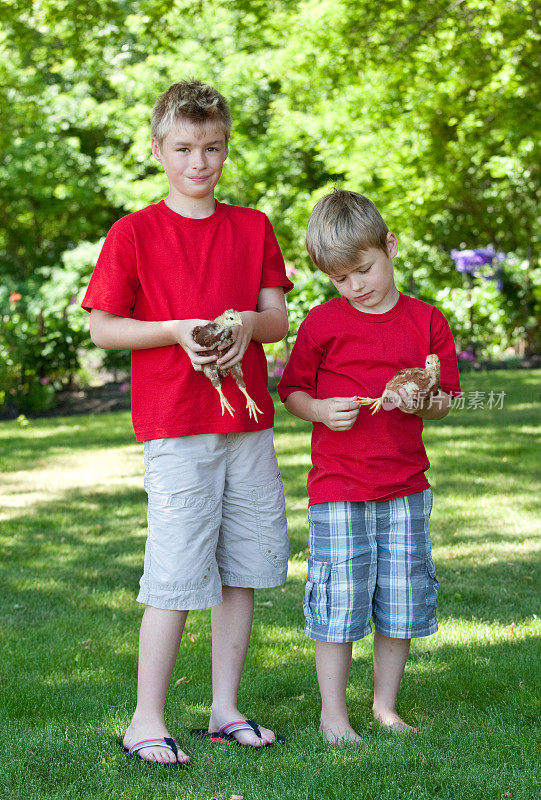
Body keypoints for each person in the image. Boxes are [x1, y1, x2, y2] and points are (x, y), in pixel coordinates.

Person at [82, 80, 293, 764]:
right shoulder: (134, 232)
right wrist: (175, 329)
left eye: (211, 148)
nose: (198, 162)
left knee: (240, 570)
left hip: (248, 427)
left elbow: (276, 319)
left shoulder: (252, 226)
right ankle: (146, 718)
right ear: (157, 149)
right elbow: (104, 330)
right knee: (175, 573)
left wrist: (240, 323)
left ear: (225, 146)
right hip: (177, 426)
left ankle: (224, 709)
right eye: (183, 148)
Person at [277, 190, 460, 745]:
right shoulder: (322, 324)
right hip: (340, 488)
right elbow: (292, 390)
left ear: (391, 246)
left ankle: (385, 706)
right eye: (340, 279)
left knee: (399, 598)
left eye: (364, 269)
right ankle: (333, 713)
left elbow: (447, 398)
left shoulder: (427, 322)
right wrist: (319, 411)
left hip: (405, 486)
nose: (355, 286)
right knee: (339, 597)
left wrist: (420, 399)